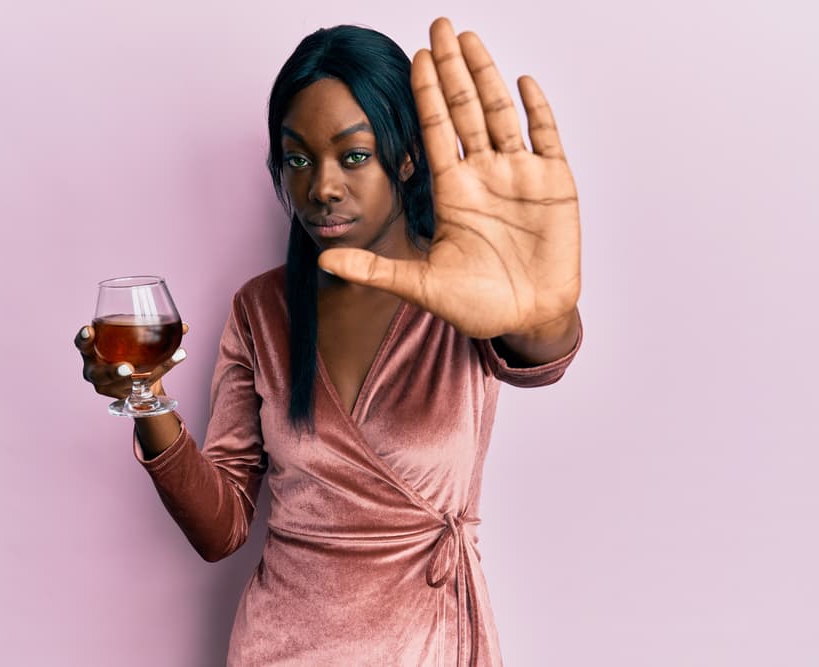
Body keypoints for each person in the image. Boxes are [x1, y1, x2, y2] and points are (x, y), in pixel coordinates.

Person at [76, 17, 582, 666]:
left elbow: (543, 352)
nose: (321, 186)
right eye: (296, 158)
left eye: (353, 154)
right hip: (279, 649)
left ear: (404, 155)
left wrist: (541, 311)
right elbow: (221, 525)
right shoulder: (261, 309)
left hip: (430, 647)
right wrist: (146, 398)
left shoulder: (465, 290)